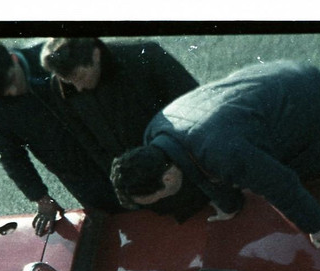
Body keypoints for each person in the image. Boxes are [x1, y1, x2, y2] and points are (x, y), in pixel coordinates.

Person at [110, 60, 320, 250]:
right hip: (269, 81)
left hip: (304, 96)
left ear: (167, 179)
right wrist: (228, 205)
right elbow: (192, 165)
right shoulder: (155, 133)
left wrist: (317, 225)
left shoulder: (224, 153)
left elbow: (278, 183)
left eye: (155, 198)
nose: (158, 202)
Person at [41, 37, 210, 222]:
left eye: (80, 77)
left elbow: (194, 106)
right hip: (139, 183)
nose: (78, 88)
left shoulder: (144, 56)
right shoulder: (61, 85)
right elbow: (87, 139)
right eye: (69, 81)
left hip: (178, 166)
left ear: (95, 55)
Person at [0, 40, 121, 236]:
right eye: (2, 93)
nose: (12, 92)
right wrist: (41, 197)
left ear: (13, 59)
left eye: (12, 81)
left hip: (117, 151)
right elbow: (13, 158)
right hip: (82, 180)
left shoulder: (56, 59)